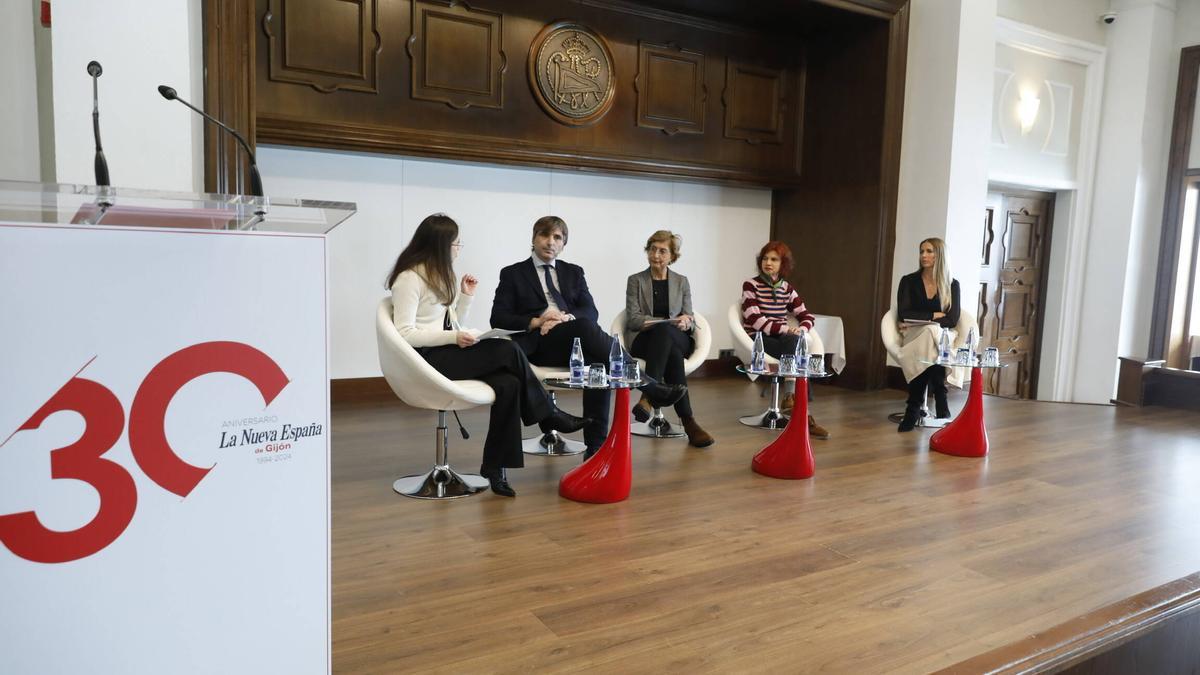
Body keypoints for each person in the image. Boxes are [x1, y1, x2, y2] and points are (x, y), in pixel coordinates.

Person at [387, 213, 590, 497]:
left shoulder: (440, 275)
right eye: (456, 244)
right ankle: (548, 415)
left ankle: (494, 467)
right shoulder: (409, 278)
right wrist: (454, 337)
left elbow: (449, 322)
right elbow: (405, 333)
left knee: (510, 384)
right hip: (426, 359)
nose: (458, 249)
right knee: (508, 348)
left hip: (446, 349)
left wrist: (465, 299)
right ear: (440, 245)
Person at [491, 216, 687, 459]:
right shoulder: (513, 273)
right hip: (540, 344)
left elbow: (590, 311)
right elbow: (498, 318)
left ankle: (595, 448)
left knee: (599, 360)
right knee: (586, 329)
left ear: (564, 244)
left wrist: (564, 318)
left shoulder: (573, 272)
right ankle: (647, 384)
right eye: (544, 235)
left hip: (573, 338)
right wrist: (538, 321)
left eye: (557, 237)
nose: (550, 242)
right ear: (534, 239)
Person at [624, 231, 714, 448]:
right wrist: (661, 322)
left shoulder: (681, 282)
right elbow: (634, 320)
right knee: (667, 342)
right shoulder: (636, 280)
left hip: (678, 337)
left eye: (662, 251)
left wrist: (685, 322)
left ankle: (647, 396)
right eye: (652, 249)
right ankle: (688, 421)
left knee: (668, 337)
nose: (656, 255)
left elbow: (690, 318)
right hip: (645, 340)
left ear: (672, 256)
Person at [740, 241, 830, 439]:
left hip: (781, 340)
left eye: (774, 259)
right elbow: (755, 320)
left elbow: (807, 316)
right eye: (765, 258)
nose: (768, 263)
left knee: (795, 340)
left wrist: (801, 328)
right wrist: (786, 329)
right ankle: (796, 406)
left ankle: (792, 402)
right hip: (759, 339)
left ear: (783, 264)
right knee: (793, 342)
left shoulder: (787, 289)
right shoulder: (751, 285)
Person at [895, 237, 961, 432]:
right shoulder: (909, 281)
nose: (924, 255)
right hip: (915, 334)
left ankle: (913, 406)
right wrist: (933, 315)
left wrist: (926, 320)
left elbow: (952, 320)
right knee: (929, 333)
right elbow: (904, 313)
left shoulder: (952, 284)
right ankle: (940, 396)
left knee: (931, 333)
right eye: (922, 251)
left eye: (929, 251)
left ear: (939, 255)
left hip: (941, 337)